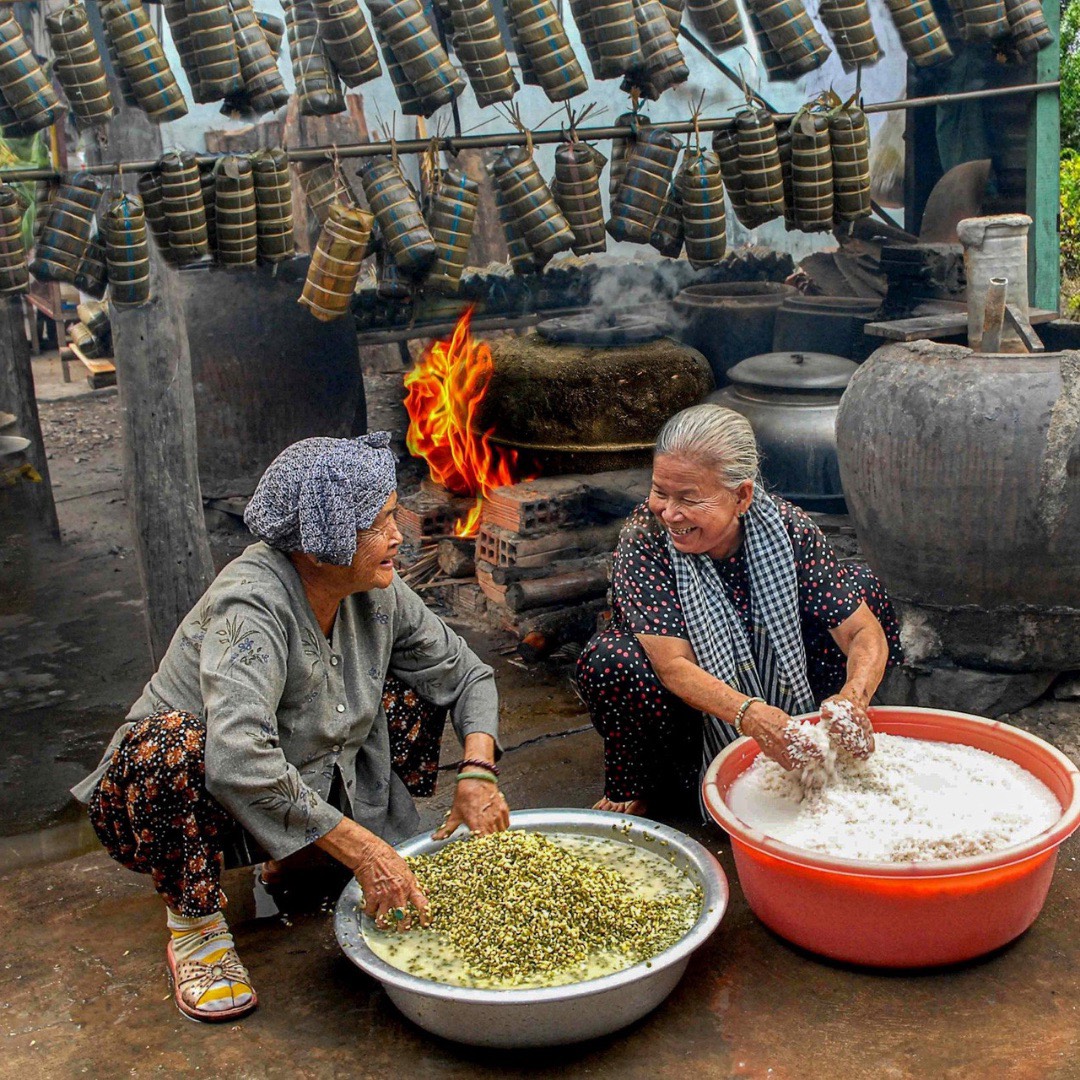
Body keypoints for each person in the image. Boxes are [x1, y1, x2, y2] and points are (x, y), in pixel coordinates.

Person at [72, 435, 509, 1023]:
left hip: (304, 771)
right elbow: (238, 760)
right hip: (193, 802)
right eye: (379, 524)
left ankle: (302, 854)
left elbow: (467, 675)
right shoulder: (252, 607)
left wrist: (478, 770)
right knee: (169, 748)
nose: (399, 537)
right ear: (324, 541)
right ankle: (196, 930)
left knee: (413, 685)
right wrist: (365, 851)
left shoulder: (377, 594)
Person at [576, 404, 902, 816]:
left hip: (788, 687)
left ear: (741, 495)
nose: (670, 513)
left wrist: (852, 700)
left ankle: (834, 740)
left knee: (863, 591)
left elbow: (861, 633)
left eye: (689, 499)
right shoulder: (645, 538)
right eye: (660, 492)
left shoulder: (788, 529)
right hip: (687, 715)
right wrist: (752, 717)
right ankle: (655, 785)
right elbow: (673, 666)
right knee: (613, 661)